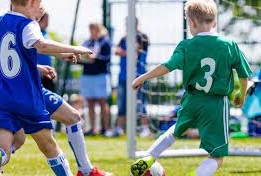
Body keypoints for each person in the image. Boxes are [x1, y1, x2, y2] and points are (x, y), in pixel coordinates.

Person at [130, 0, 251, 175]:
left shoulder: (186, 45)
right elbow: (243, 73)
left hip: (192, 99)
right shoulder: (229, 45)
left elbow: (168, 65)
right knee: (217, 155)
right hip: (215, 103)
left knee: (176, 129)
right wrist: (241, 93)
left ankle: (150, 156)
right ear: (215, 21)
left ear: (191, 22)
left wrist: (143, 77)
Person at [0, 0, 92, 175]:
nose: (41, 11)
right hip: (26, 96)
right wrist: (76, 48)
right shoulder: (27, 24)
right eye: (40, 6)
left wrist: (35, 67)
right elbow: (41, 44)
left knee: (5, 149)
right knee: (49, 146)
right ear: (32, 2)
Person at [105, 18, 150, 137]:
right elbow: (117, 51)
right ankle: (119, 128)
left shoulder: (142, 36)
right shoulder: (124, 38)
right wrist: (127, 52)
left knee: (141, 102)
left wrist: (126, 51)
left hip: (139, 75)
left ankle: (145, 128)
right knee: (121, 103)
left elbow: (137, 50)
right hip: (123, 76)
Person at [80, 23, 112, 136]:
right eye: (90, 29)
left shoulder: (105, 41)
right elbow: (79, 57)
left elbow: (107, 58)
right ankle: (92, 129)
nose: (92, 31)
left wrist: (95, 58)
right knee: (90, 103)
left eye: (94, 29)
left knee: (103, 102)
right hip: (87, 76)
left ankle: (106, 129)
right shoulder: (87, 42)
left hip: (100, 76)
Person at [37, 13, 56, 91]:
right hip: (38, 72)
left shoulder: (46, 34)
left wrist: (53, 70)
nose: (47, 23)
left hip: (47, 73)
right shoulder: (34, 33)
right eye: (45, 20)